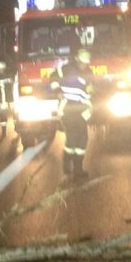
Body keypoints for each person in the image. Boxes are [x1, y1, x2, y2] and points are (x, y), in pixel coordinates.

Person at [53, 48, 93, 180]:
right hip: (68, 107)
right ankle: (67, 162)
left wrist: (91, 94)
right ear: (77, 60)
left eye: (86, 62)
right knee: (72, 138)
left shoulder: (89, 71)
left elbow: (90, 89)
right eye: (82, 62)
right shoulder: (66, 69)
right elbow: (53, 77)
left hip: (81, 109)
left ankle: (77, 168)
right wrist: (57, 90)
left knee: (82, 139)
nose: (84, 65)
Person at [0, 60, 14, 139]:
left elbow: (12, 81)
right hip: (2, 100)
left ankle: (17, 127)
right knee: (3, 115)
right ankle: (4, 132)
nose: (1, 70)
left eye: (2, 68)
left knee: (14, 113)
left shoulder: (8, 75)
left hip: (10, 98)